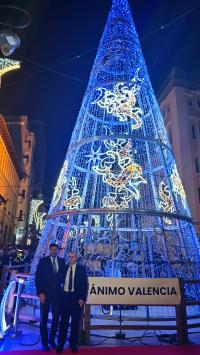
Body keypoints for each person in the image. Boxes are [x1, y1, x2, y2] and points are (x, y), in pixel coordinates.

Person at [56, 251, 88, 353]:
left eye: (73, 257)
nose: (71, 259)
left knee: (75, 324)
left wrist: (82, 298)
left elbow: (84, 285)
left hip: (76, 299)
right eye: (69, 257)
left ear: (76, 258)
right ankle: (60, 344)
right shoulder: (64, 268)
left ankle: (73, 344)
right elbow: (58, 281)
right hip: (64, 298)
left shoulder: (81, 269)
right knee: (63, 323)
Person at [35, 243, 65, 352]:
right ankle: (44, 342)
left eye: (55, 250)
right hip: (45, 294)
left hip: (57, 294)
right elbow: (38, 277)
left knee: (56, 318)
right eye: (51, 250)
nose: (53, 251)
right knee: (44, 319)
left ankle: (52, 340)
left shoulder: (62, 261)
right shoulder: (43, 261)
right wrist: (40, 293)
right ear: (49, 250)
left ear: (57, 250)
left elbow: (64, 277)